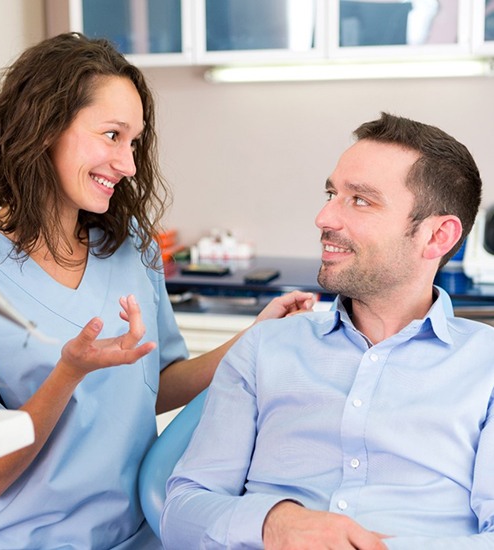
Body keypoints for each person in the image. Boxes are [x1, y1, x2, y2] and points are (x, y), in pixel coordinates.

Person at [0, 33, 315, 550]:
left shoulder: (128, 243)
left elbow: (153, 383)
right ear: (43, 128)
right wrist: (69, 373)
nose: (129, 165)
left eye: (135, 142)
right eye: (112, 135)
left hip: (140, 534)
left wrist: (252, 339)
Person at [161, 113, 494, 549]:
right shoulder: (265, 347)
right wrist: (273, 524)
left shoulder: (486, 368)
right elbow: (181, 513)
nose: (323, 217)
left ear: (435, 236)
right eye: (331, 193)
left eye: (360, 200)